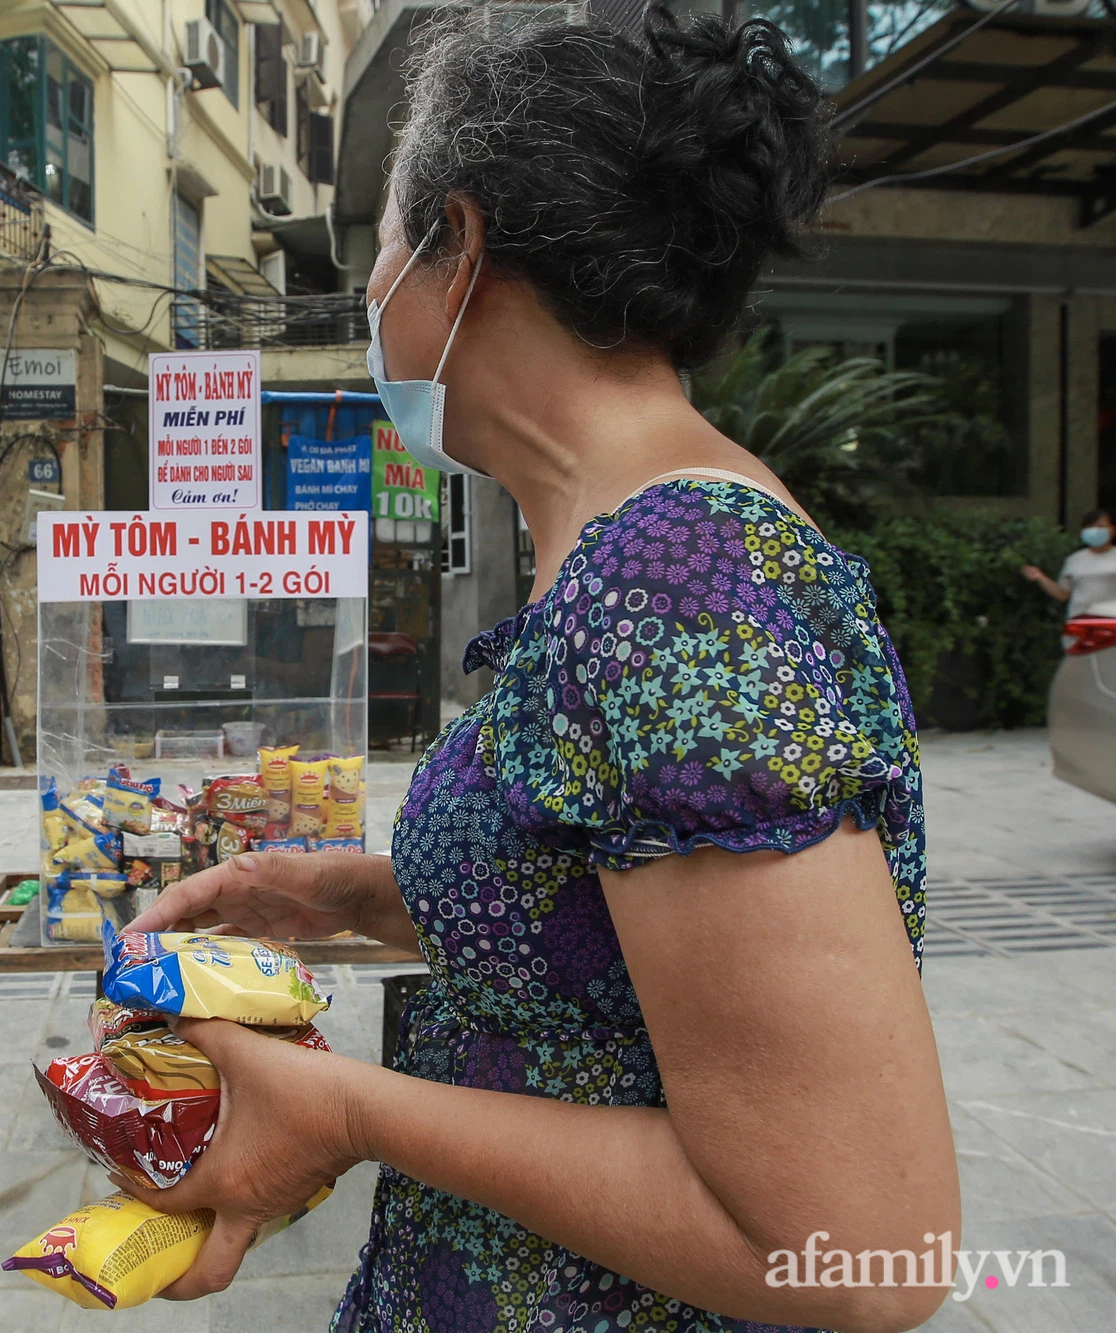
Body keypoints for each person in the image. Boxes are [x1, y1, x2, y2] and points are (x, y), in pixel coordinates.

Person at [126, 12, 956, 1332]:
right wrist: (353, 893)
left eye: (382, 248)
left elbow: (860, 1248)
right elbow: (613, 928)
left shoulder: (676, 587)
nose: (370, 292)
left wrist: (342, 1110)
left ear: (457, 249)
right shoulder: (636, 556)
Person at [1020, 509, 1116, 617]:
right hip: (1079, 624)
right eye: (1090, 527)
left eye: (1100, 526)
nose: (1095, 530)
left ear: (1112, 530)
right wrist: (1039, 577)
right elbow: (1063, 594)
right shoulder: (1074, 560)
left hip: (1111, 623)